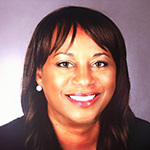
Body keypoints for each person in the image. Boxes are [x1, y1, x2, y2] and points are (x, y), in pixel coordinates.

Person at [0, 6, 150, 150]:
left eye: (99, 63)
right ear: (39, 74)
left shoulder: (145, 139)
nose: (85, 80)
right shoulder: (5, 142)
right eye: (65, 63)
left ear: (117, 72)